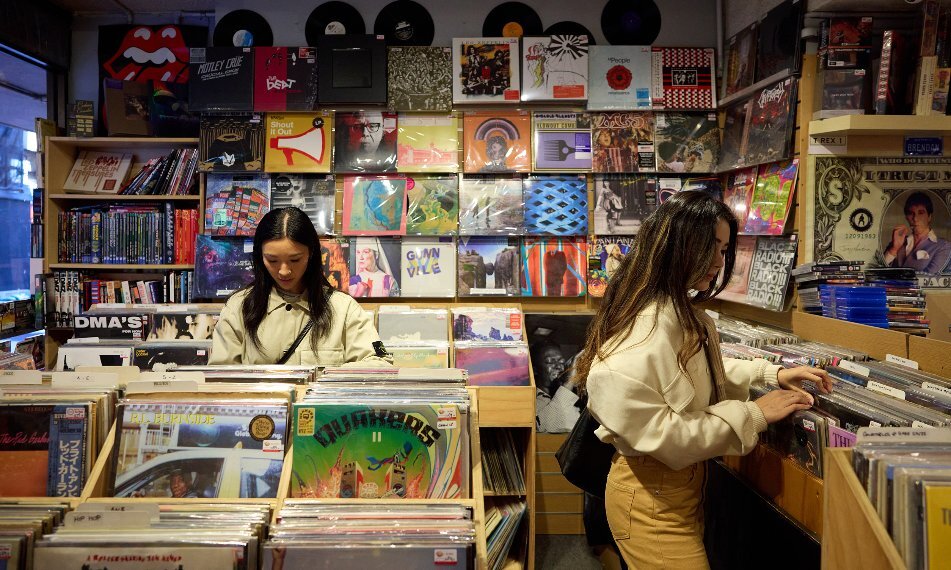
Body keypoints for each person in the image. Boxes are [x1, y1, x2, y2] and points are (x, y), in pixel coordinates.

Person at [573, 191, 832, 568]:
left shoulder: (680, 313)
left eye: (724, 249)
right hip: (652, 497)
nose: (717, 261)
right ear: (674, 244)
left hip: (680, 489)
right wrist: (754, 413)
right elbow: (666, 434)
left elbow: (692, 377)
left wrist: (768, 373)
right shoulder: (645, 328)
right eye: (709, 246)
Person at [210, 207, 393, 366]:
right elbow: (219, 378)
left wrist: (327, 377)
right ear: (260, 257)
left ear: (311, 254)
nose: (284, 271)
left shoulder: (343, 308)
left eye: (295, 260)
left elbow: (379, 364)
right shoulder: (238, 308)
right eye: (272, 260)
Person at [884, 191, 951, 274]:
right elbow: (876, 271)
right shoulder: (897, 243)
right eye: (911, 213)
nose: (915, 218)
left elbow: (930, 279)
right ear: (906, 217)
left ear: (929, 217)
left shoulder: (943, 246)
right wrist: (894, 249)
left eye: (921, 213)